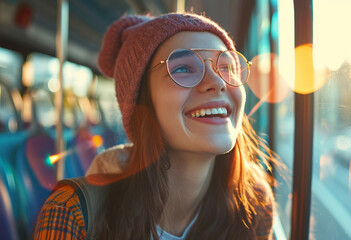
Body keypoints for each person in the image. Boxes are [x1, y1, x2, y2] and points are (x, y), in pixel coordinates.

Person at [33, 12, 278, 240]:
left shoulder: (254, 203)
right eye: (183, 68)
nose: (217, 82)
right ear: (143, 102)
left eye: (227, 68)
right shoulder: (70, 213)